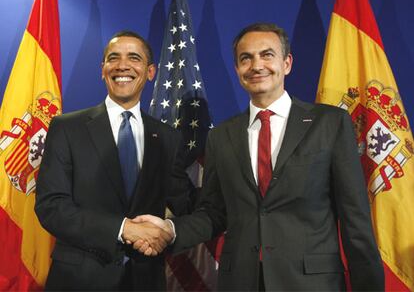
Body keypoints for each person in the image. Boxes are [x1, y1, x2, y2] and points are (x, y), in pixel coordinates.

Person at [131, 23, 385, 291]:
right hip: (241, 282)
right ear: (238, 70)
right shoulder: (222, 136)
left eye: (267, 55)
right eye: (246, 58)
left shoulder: (330, 124)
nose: (256, 65)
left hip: (311, 283)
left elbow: (355, 219)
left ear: (286, 63)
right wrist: (170, 230)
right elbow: (214, 213)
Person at [35, 31, 193, 291]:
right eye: (113, 58)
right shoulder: (67, 128)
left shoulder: (167, 137)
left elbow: (183, 202)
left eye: (134, 58)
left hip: (145, 280)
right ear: (102, 69)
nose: (123, 66)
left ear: (150, 71)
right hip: (79, 280)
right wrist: (123, 229)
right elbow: (51, 207)